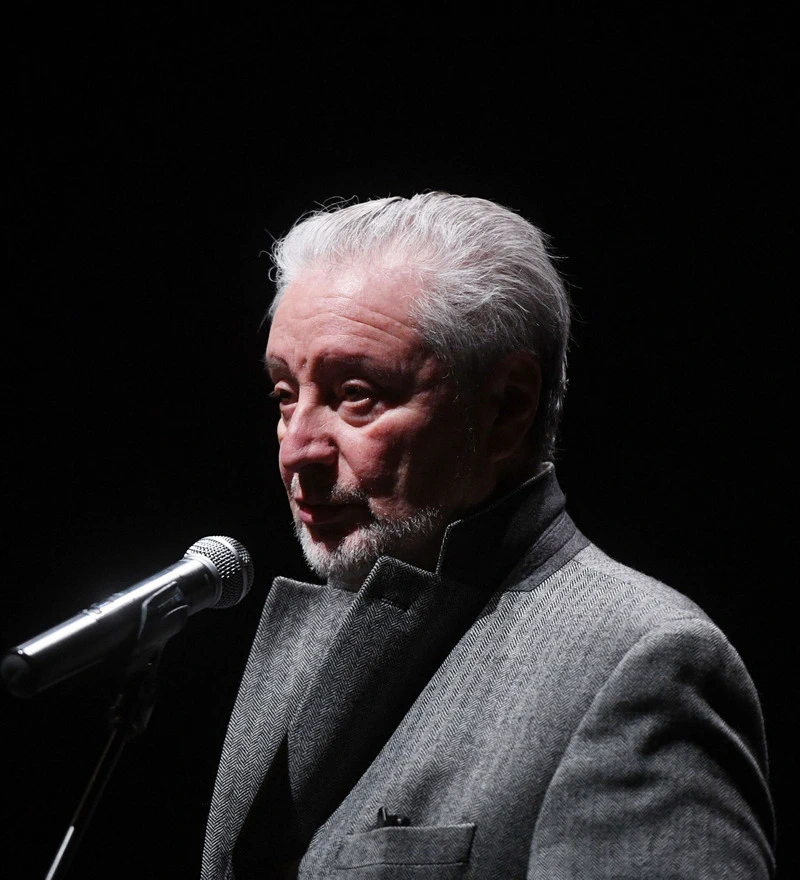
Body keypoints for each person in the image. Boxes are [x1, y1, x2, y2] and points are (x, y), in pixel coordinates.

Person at [202, 193, 775, 878]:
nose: (297, 449)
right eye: (284, 396)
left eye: (356, 394)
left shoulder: (642, 662)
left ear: (507, 407)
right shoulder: (328, 631)